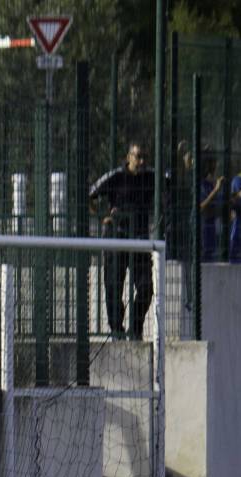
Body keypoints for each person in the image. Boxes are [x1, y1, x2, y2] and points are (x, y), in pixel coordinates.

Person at [89, 143, 156, 338]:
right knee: (113, 286)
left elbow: (172, 183)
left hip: (140, 240)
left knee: (146, 287)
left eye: (144, 157)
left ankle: (135, 327)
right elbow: (90, 195)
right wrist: (103, 216)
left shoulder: (151, 177)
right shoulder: (116, 177)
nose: (141, 161)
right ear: (129, 157)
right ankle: (116, 329)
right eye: (138, 156)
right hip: (116, 238)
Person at [197, 153, 224, 263]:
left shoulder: (215, 183)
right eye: (212, 163)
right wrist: (215, 190)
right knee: (204, 258)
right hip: (203, 225)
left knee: (213, 256)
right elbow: (201, 207)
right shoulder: (202, 184)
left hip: (213, 225)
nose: (215, 166)